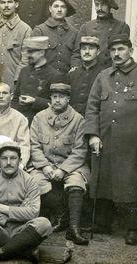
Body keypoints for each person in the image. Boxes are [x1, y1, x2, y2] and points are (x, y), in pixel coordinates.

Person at [84, 34, 137, 245]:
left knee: (131, 185)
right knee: (103, 182)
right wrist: (93, 135)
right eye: (113, 50)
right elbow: (92, 108)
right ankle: (102, 223)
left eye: (121, 49)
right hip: (105, 141)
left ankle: (133, 228)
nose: (116, 54)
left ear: (130, 50)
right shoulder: (103, 77)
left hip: (132, 146)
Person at [0, 141, 53, 264]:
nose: (8, 162)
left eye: (13, 158)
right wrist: (14, 215)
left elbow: (33, 212)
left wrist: (2, 208)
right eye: (4, 158)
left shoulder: (29, 181)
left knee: (44, 224)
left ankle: (0, 253)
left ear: (20, 160)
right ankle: (25, 251)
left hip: (23, 229)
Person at [29, 83, 90, 245]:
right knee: (34, 182)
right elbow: (34, 146)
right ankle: (61, 215)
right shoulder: (39, 118)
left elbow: (80, 151)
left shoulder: (78, 120)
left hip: (71, 165)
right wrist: (44, 165)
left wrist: (63, 170)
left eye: (61, 97)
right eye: (54, 97)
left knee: (77, 182)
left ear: (68, 99)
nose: (57, 100)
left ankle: (74, 228)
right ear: (50, 98)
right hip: (45, 165)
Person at [72, 0, 130, 69]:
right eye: (96, 5)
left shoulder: (121, 27)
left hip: (112, 73)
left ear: (109, 6)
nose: (99, 8)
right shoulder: (86, 27)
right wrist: (77, 71)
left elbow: (123, 54)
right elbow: (76, 54)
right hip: (90, 72)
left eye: (103, 5)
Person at [0, 0, 31, 88]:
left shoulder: (25, 29)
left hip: (14, 82)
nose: (6, 5)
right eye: (3, 2)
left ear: (16, 4)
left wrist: (17, 80)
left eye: (10, 2)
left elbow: (26, 60)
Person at [12, 36, 64, 122]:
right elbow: (15, 99)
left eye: (31, 52)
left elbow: (58, 105)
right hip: (20, 122)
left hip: (42, 123)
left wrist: (35, 101)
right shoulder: (24, 71)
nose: (28, 55)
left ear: (41, 52)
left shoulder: (55, 76)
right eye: (27, 52)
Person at [32, 0, 77, 74]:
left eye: (63, 7)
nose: (59, 10)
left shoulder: (74, 33)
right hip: (45, 79)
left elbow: (76, 56)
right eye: (56, 6)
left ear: (66, 10)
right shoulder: (40, 31)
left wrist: (74, 68)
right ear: (50, 9)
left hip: (66, 80)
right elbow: (34, 59)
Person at [68, 36, 108, 116]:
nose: (87, 52)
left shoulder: (104, 74)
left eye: (91, 48)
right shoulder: (72, 74)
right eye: (83, 49)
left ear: (98, 51)